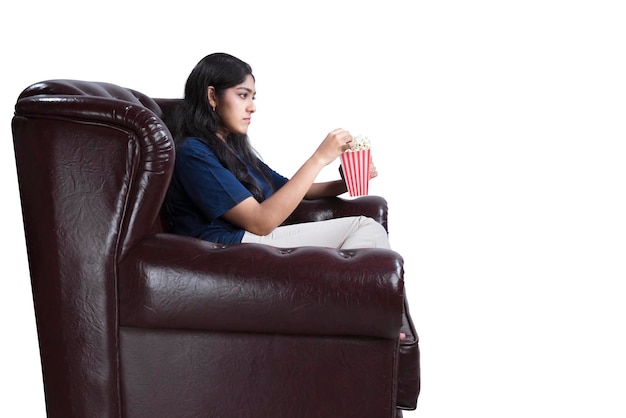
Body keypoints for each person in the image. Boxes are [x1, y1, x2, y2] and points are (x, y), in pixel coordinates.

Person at [164, 52, 392, 251]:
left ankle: (340, 297)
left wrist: (346, 182)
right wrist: (319, 158)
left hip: (249, 241)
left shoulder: (232, 148)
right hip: (229, 248)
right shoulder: (194, 153)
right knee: (364, 227)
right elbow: (260, 222)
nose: (252, 106)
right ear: (212, 96)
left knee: (367, 230)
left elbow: (296, 190)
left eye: (252, 97)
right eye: (243, 95)